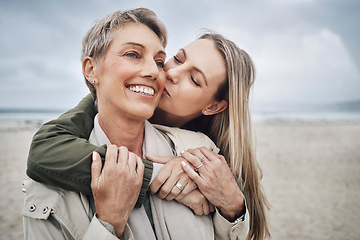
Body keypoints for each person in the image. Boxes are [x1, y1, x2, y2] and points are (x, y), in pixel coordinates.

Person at [22, 8, 252, 240]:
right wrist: (150, 179)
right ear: (91, 70)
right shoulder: (88, 114)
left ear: (212, 107)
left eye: (194, 79)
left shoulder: (204, 151)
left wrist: (232, 203)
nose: (165, 72)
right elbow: (45, 149)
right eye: (177, 59)